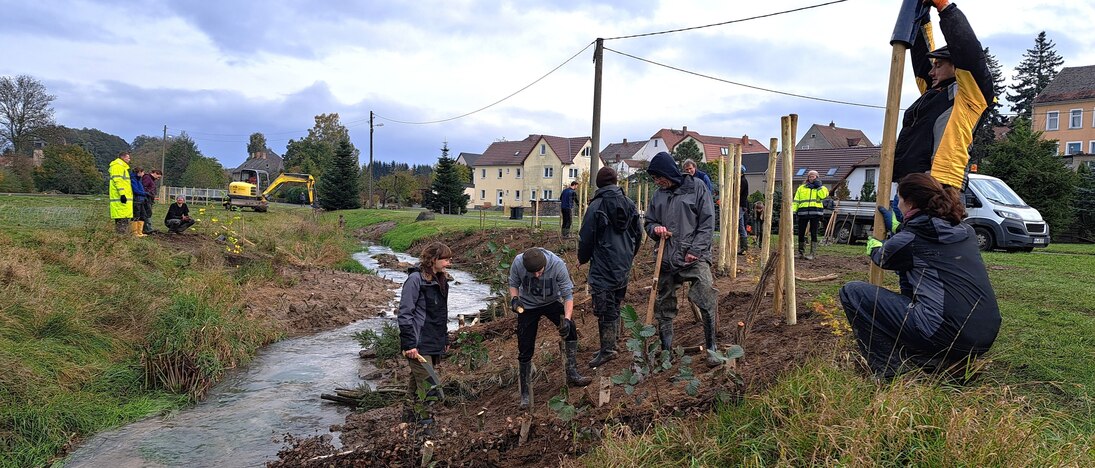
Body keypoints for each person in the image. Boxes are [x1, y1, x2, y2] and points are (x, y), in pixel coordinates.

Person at [839, 173, 1000, 380]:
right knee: (908, 274)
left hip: (943, 332)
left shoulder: (911, 238)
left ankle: (892, 370)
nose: (897, 203)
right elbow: (925, 243)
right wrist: (900, 229)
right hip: (983, 335)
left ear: (910, 202)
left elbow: (884, 257)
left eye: (899, 198)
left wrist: (874, 248)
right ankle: (945, 361)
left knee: (852, 292)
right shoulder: (965, 231)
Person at [893, 0, 993, 191]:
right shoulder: (934, 91)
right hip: (911, 183)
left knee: (934, 223)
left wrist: (945, 8)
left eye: (938, 65)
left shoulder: (970, 96)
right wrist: (921, 14)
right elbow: (922, 51)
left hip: (940, 184)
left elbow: (967, 50)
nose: (931, 72)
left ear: (957, 68)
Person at [644, 151, 720, 367]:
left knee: (706, 296)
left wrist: (695, 250)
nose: (657, 181)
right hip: (667, 258)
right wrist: (654, 229)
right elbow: (649, 221)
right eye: (655, 179)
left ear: (668, 172)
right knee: (664, 304)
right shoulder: (659, 195)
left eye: (659, 177)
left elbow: (707, 223)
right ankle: (666, 352)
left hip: (695, 257)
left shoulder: (697, 188)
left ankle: (712, 347)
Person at [510, 247, 591, 409]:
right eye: (532, 273)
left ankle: (572, 372)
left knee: (571, 330)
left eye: (539, 272)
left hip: (552, 302)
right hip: (528, 306)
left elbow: (568, 296)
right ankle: (525, 393)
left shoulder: (557, 264)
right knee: (524, 346)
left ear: (545, 265)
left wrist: (567, 320)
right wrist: (514, 299)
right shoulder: (518, 262)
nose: (537, 276)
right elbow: (513, 283)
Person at [577, 167, 642, 368]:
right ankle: (610, 344)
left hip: (603, 264)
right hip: (623, 262)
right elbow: (638, 234)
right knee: (615, 302)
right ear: (615, 182)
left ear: (599, 184)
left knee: (604, 305)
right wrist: (630, 254)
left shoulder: (596, 206)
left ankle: (608, 349)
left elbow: (587, 236)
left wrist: (583, 258)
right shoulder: (630, 204)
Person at [398, 242, 453, 423]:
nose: (449, 263)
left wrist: (444, 337)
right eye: (446, 260)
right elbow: (405, 314)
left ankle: (407, 420)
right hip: (418, 342)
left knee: (416, 384)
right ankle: (424, 424)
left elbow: (441, 313)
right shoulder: (415, 280)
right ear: (434, 260)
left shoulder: (441, 280)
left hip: (433, 339)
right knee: (430, 386)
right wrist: (409, 344)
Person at [793, 170, 829, 260]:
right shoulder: (801, 188)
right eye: (810, 176)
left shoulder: (822, 188)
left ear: (817, 177)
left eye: (813, 176)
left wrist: (818, 187)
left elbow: (823, 196)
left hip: (815, 213)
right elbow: (796, 200)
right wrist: (793, 211)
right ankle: (801, 252)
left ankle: (812, 253)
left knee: (814, 233)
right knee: (801, 233)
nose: (811, 178)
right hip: (802, 212)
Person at [108, 151, 134, 235]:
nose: (129, 159)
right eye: (128, 157)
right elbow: (118, 181)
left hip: (123, 198)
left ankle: (122, 236)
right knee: (121, 219)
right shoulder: (118, 167)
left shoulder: (122, 167)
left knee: (124, 218)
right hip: (120, 198)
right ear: (123, 158)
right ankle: (121, 236)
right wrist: (122, 194)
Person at [141, 169, 162, 234]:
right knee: (147, 213)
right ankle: (147, 229)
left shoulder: (151, 179)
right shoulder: (147, 178)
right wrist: (149, 194)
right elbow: (144, 187)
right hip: (146, 199)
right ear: (155, 173)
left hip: (149, 199)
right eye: (158, 177)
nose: (158, 179)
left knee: (148, 213)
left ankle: (147, 228)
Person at [129, 167, 149, 238]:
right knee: (136, 216)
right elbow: (135, 190)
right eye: (143, 172)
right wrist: (145, 193)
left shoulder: (138, 179)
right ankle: (134, 232)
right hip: (136, 200)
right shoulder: (133, 179)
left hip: (141, 200)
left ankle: (139, 232)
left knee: (142, 216)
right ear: (139, 172)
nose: (143, 174)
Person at [737, 168, 750, 255]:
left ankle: (744, 247)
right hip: (741, 205)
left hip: (741, 205)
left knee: (736, 223)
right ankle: (744, 248)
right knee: (741, 226)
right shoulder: (741, 180)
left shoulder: (742, 181)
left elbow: (737, 192)